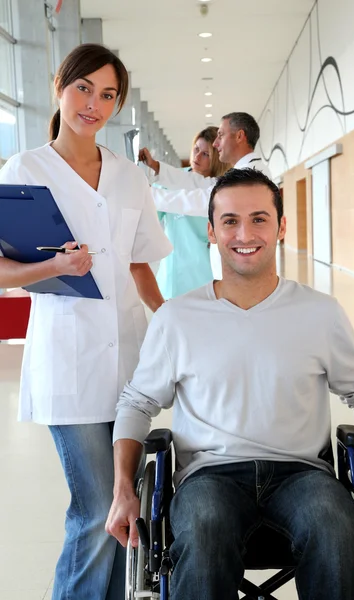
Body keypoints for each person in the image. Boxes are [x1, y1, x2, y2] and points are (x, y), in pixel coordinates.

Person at [106, 168, 354, 600]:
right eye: (230, 221)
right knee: (204, 530)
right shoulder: (178, 318)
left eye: (259, 218)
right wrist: (123, 489)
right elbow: (137, 402)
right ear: (211, 231)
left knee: (334, 527)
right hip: (209, 476)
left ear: (281, 227)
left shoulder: (320, 313)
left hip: (304, 474)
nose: (245, 233)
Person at [0, 43, 172, 600]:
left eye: (107, 95)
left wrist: (171, 321)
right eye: (83, 89)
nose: (93, 104)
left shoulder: (128, 177)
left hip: (129, 362)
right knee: (97, 506)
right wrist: (54, 264)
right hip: (67, 364)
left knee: (127, 511)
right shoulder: (24, 168)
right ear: (59, 86)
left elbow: (140, 261)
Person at [140, 112, 271, 279]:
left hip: (240, 268)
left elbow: (204, 200)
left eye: (221, 136)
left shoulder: (250, 175)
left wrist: (146, 193)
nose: (216, 144)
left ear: (239, 136)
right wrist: (156, 167)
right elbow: (199, 183)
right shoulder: (243, 172)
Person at [151, 126, 230, 298]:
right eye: (196, 149)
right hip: (173, 269)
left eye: (206, 154)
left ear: (216, 159)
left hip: (205, 270)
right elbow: (151, 219)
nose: (197, 156)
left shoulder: (220, 188)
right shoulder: (169, 179)